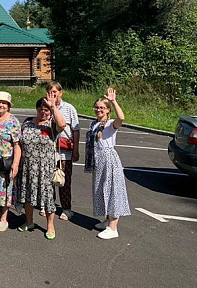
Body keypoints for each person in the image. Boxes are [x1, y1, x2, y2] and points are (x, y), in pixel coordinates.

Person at [16, 92, 66, 240]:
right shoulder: (27, 122)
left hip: (45, 168)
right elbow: (19, 142)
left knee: (48, 197)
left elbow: (62, 124)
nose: (43, 112)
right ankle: (29, 221)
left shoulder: (51, 125)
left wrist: (53, 107)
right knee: (28, 194)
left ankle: (50, 226)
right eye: (41, 109)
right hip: (27, 166)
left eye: (46, 110)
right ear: (36, 109)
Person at [85, 88, 129, 240]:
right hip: (99, 161)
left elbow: (121, 118)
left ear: (108, 110)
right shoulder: (94, 124)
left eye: (102, 107)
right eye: (97, 107)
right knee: (101, 191)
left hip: (109, 160)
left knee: (112, 192)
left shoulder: (110, 123)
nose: (98, 110)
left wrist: (113, 101)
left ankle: (113, 228)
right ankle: (107, 220)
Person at [0, 91, 22, 232]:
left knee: (4, 189)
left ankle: (3, 218)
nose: (0, 105)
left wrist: (16, 164)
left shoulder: (13, 121)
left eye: (3, 103)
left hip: (4, 162)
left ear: (8, 106)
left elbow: (17, 145)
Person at [46, 81, 80, 221]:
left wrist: (76, 150)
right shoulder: (45, 106)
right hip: (49, 150)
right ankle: (49, 205)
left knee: (64, 180)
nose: (52, 94)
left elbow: (76, 130)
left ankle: (66, 208)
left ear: (61, 92)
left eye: (55, 92)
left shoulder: (69, 108)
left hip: (64, 150)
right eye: (49, 92)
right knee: (49, 180)